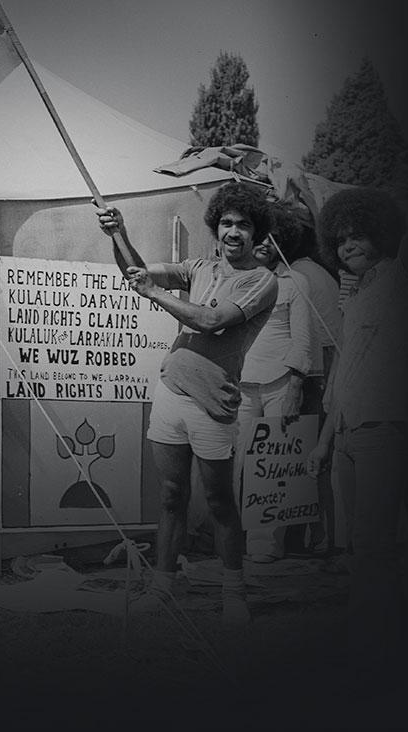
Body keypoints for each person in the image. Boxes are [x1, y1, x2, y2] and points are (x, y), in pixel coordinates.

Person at [96, 182, 277, 624]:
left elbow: (213, 320)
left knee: (218, 502)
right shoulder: (199, 267)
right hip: (170, 394)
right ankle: (162, 587)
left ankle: (234, 593)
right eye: (227, 223)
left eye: (244, 225)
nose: (234, 232)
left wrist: (154, 294)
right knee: (172, 496)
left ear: (257, 234)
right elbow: (138, 272)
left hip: (213, 405)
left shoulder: (262, 280)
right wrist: (119, 234)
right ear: (216, 228)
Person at [307, 187, 408, 680]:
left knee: (375, 545)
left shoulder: (403, 281)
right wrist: (324, 440)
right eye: (339, 239)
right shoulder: (354, 299)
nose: (348, 245)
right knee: (359, 547)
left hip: (385, 430)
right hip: (349, 436)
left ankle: (370, 654)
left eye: (359, 234)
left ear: (383, 235)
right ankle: (384, 641)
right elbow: (342, 375)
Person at [235, 201, 316, 563]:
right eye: (260, 235)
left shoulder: (296, 281)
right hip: (240, 383)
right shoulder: (238, 278)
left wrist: (295, 387)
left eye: (274, 236)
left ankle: (266, 547)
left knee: (272, 466)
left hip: (281, 381)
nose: (266, 242)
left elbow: (302, 340)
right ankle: (233, 542)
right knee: (237, 464)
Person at [285, 206, 342, 556]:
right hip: (328, 374)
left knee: (303, 459)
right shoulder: (318, 271)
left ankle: (309, 537)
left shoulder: (296, 275)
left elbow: (308, 337)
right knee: (320, 461)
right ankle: (321, 535)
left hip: (314, 375)